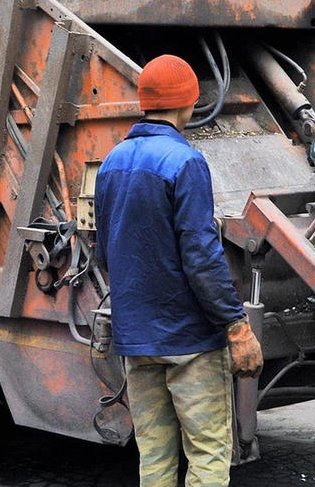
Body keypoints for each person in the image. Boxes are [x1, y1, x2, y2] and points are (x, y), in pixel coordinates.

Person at [94, 54, 263, 487]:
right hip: (189, 339)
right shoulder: (185, 162)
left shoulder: (111, 162)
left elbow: (105, 253)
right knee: (207, 453)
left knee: (154, 456)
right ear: (188, 102)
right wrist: (236, 326)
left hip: (137, 340)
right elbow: (202, 257)